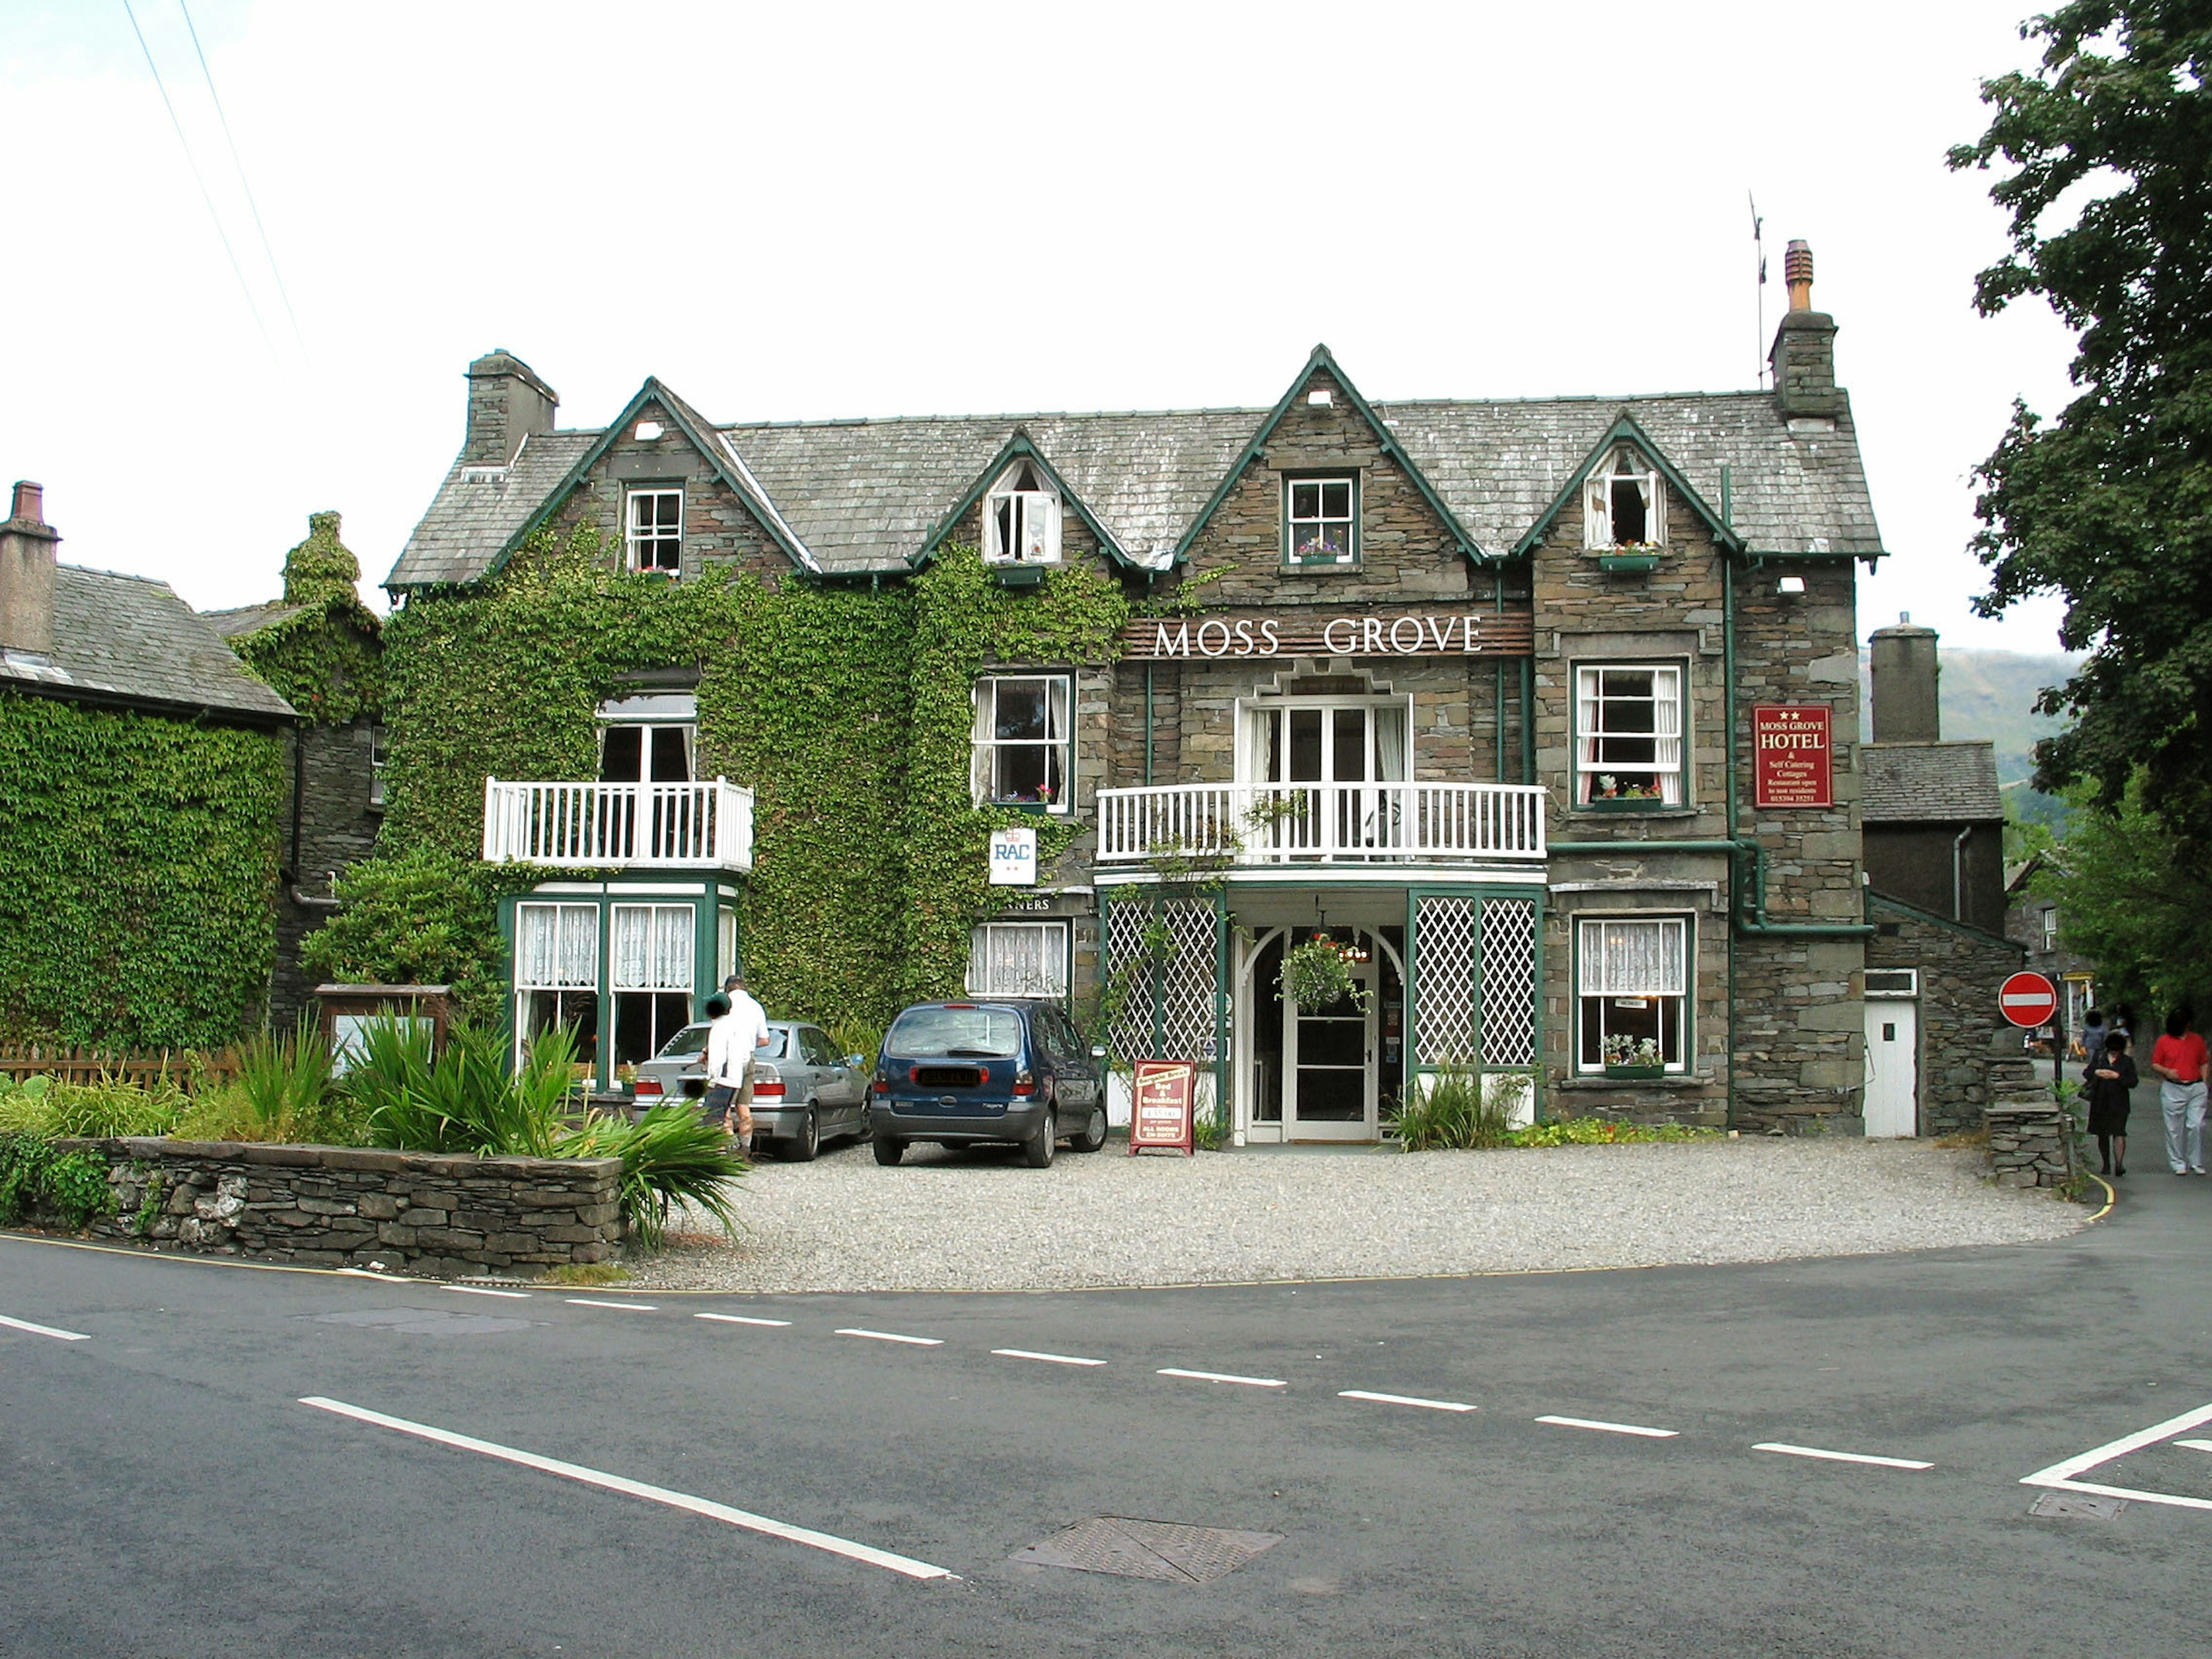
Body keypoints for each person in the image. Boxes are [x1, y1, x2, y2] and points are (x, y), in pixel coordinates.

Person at [706, 974, 772, 1152]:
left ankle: (728, 1147)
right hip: (749, 1058)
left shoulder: (726, 1007)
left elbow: (720, 1036)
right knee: (744, 1108)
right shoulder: (756, 1006)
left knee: (724, 1109)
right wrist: (748, 1045)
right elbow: (765, 1040)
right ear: (744, 987)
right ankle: (746, 1148)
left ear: (727, 989)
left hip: (730, 1061)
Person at [2149, 1006, 2209, 1176]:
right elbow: (2155, 1063)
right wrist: (2167, 1072)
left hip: (2196, 1086)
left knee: (2196, 1125)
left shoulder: (2197, 1040)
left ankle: (2196, 1162)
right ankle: (2177, 1162)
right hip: (2173, 1088)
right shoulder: (2164, 1041)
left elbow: (2204, 1061)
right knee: (2174, 1128)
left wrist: (2204, 1083)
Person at [2083, 1031, 2137, 1178]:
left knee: (2119, 1132)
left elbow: (2133, 1082)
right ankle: (2106, 1164)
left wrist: (2117, 1076)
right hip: (2100, 1100)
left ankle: (2119, 1164)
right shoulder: (2099, 1057)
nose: (2114, 1053)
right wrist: (2097, 1072)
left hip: (2120, 1103)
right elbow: (2087, 1073)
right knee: (2103, 1133)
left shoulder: (2127, 1061)